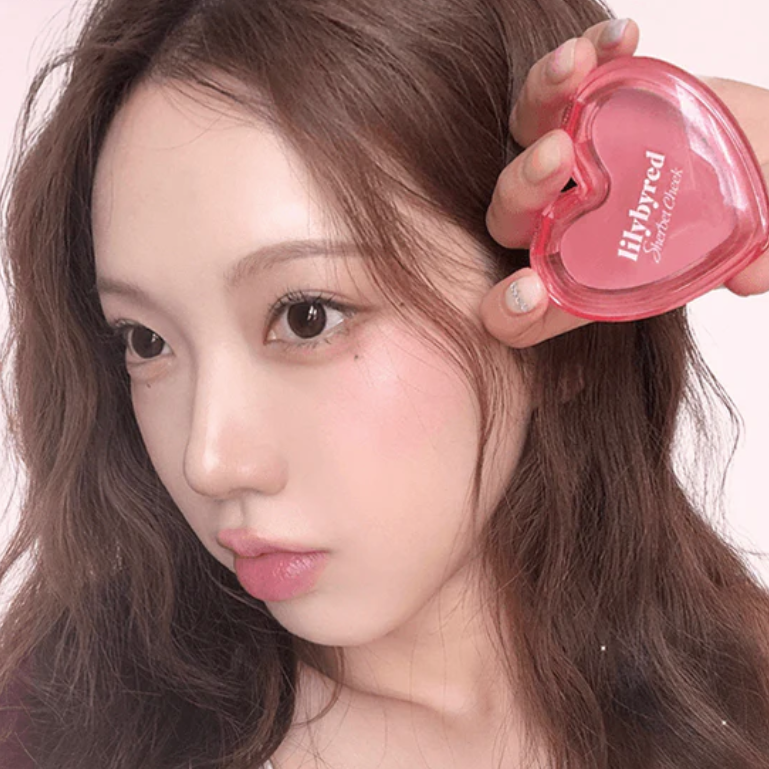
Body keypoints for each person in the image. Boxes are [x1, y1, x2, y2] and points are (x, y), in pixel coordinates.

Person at [0, 1, 768, 768]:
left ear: (554, 328)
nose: (210, 461)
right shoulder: (53, 736)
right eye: (146, 341)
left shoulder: (743, 695)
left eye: (306, 316)